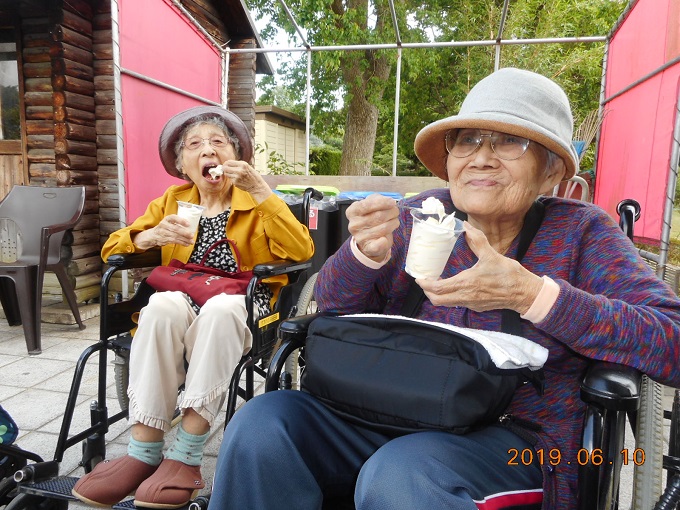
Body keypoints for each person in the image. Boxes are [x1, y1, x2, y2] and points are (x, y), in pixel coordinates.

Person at [207, 68, 680, 510]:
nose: (481, 157)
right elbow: (332, 307)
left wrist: (533, 296)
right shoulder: (421, 216)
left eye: (510, 142)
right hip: (388, 409)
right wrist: (362, 256)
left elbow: (672, 340)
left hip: (521, 441)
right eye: (468, 139)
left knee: (404, 473)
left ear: (552, 170)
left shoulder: (581, 233)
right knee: (263, 425)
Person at [72, 106, 314, 508]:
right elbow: (112, 248)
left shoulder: (256, 201)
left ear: (236, 157)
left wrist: (261, 192)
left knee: (219, 311)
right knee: (161, 306)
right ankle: (143, 451)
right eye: (195, 145)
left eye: (218, 143)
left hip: (241, 300)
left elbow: (302, 249)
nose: (208, 151)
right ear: (183, 164)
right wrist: (151, 236)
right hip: (183, 292)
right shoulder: (174, 200)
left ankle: (185, 456)